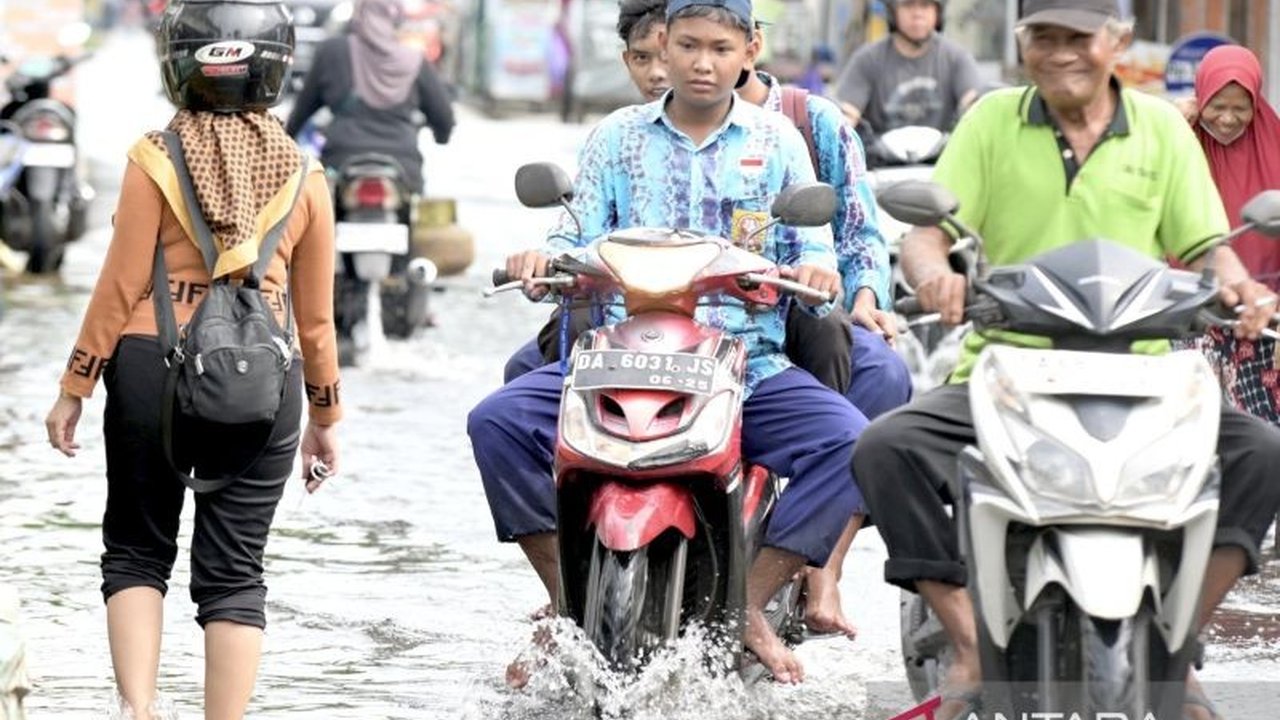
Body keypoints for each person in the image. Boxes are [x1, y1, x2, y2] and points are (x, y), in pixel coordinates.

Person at [850, 2, 1280, 720]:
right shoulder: (990, 121)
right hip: (1010, 366)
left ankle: (1180, 645)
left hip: (1147, 371)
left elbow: (1208, 249)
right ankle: (965, 639)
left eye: (1077, 37)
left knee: (1262, 452)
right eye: (1041, 37)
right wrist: (934, 272)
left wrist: (1239, 289)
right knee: (883, 447)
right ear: (1021, 42)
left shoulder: (1164, 131)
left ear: (1114, 41)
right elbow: (928, 232)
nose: (1059, 54)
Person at [469, 0, 867, 685]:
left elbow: (814, 247)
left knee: (856, 445)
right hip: (616, 356)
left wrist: (816, 270)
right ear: (664, 46)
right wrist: (541, 262)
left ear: (748, 51)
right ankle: (565, 602)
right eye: (687, 45)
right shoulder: (616, 138)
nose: (702, 62)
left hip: (745, 364)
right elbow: (573, 236)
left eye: (719, 47)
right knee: (497, 422)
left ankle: (750, 603)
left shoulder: (777, 143)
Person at [42, 2, 342, 718]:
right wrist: (326, 417)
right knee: (236, 575)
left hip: (151, 365)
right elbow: (317, 322)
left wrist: (73, 386)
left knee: (137, 551)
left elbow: (118, 289)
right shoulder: (306, 175)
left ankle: (139, 711)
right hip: (267, 384)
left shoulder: (153, 158)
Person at [1176, 45, 1280, 424]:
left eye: (1241, 107)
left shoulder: (1276, 146)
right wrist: (1171, 118)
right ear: (1199, 96)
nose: (1227, 119)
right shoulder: (1175, 140)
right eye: (1217, 105)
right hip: (1182, 323)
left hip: (1259, 329)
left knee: (1262, 448)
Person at [285, 0, 455, 194]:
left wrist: (284, 140)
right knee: (415, 216)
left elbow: (302, 109)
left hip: (339, 162)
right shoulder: (415, 60)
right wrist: (442, 136)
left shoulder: (332, 52)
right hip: (404, 168)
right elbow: (444, 117)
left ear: (358, 15)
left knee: (322, 215)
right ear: (396, 18)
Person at [830, 0, 980, 146]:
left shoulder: (956, 58)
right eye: (908, 5)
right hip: (880, 165)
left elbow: (974, 107)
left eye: (925, 5)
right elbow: (847, 115)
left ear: (938, 12)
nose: (917, 13)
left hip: (942, 163)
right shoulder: (867, 60)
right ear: (893, 11)